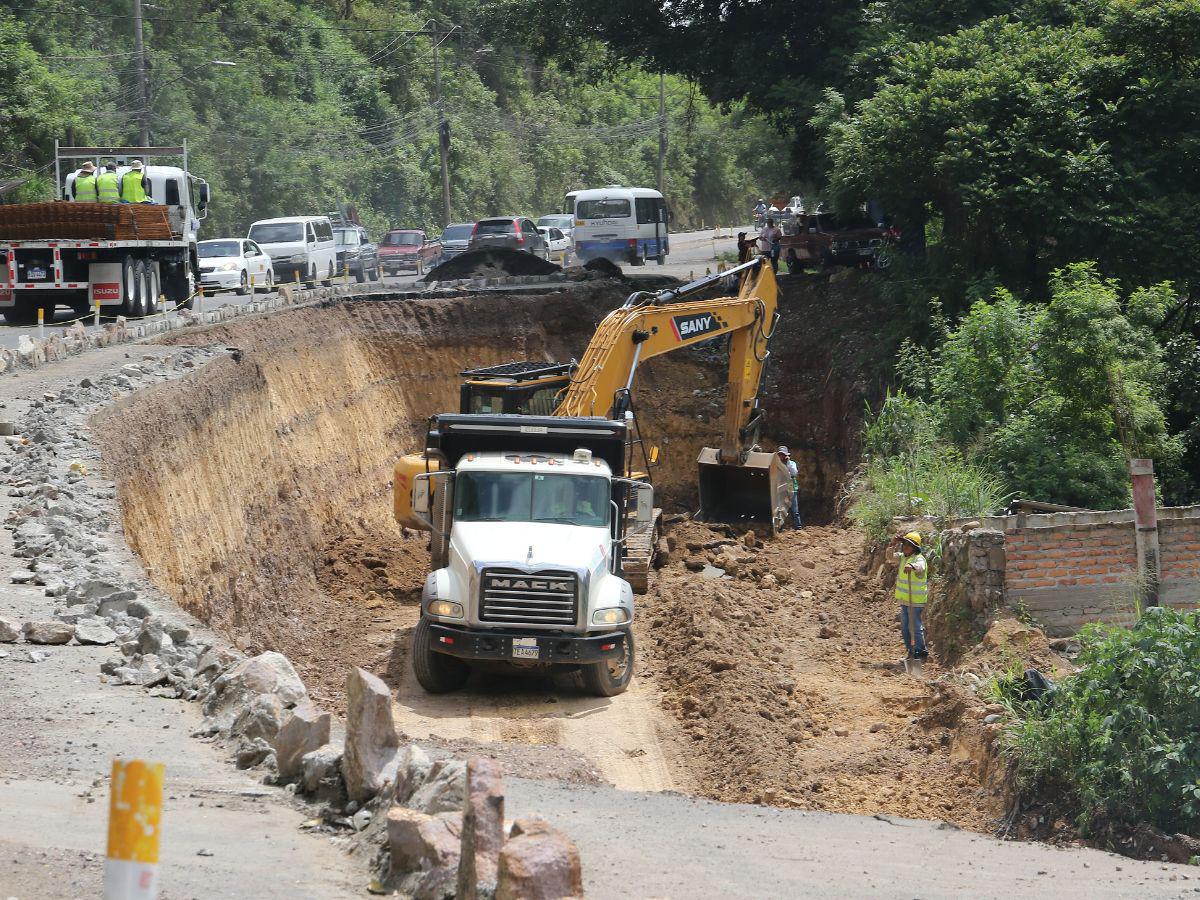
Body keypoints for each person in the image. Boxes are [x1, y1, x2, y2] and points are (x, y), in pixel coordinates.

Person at [892, 531, 928, 660]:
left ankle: (920, 652)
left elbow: (921, 567)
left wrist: (912, 566)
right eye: (905, 544)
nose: (906, 546)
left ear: (915, 548)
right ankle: (911, 652)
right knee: (905, 628)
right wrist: (892, 544)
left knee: (914, 626)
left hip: (916, 600)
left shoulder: (919, 558)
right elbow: (890, 557)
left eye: (909, 545)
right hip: (905, 600)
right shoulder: (903, 557)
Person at [777, 446, 802, 529]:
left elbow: (794, 473)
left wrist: (788, 463)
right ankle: (780, 527)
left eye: (782, 454)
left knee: (795, 509)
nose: (781, 456)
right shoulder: (777, 465)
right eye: (780, 454)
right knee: (781, 508)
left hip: (791, 487)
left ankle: (798, 527)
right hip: (780, 487)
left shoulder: (792, 464)